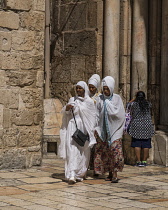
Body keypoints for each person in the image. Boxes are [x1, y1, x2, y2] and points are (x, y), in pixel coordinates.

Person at [58, 81, 97, 184]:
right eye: (77, 88)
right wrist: (67, 109)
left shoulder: (89, 102)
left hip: (84, 129)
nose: (78, 90)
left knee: (83, 152)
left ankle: (80, 173)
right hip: (73, 128)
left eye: (80, 88)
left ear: (85, 89)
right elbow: (66, 114)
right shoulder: (73, 99)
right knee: (72, 150)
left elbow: (92, 117)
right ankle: (71, 174)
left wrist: (91, 131)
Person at [94, 76, 125, 183]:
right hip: (103, 130)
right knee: (106, 153)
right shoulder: (100, 99)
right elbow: (96, 114)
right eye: (104, 89)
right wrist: (95, 128)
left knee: (115, 151)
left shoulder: (117, 98)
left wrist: (109, 107)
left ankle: (115, 174)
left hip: (115, 129)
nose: (106, 91)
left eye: (107, 88)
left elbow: (120, 115)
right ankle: (110, 173)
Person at [128, 91, 155, 167]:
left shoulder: (134, 104)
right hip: (147, 125)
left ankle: (138, 161)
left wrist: (133, 98)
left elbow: (128, 105)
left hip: (136, 125)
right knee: (146, 144)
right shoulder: (148, 104)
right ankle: (144, 161)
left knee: (137, 144)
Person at [88, 74, 101, 174]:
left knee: (97, 148)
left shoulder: (100, 97)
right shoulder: (85, 97)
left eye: (93, 87)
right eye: (90, 87)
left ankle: (96, 168)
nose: (91, 89)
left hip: (97, 125)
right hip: (87, 124)